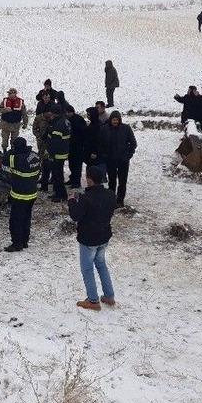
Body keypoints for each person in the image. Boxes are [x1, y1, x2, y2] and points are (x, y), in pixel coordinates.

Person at [68, 164, 117, 311]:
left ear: (89, 180)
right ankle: (109, 296)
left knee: (87, 268)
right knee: (101, 264)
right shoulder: (110, 194)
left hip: (88, 239)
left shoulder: (86, 198)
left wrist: (71, 200)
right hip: (104, 236)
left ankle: (93, 300)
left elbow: (75, 216)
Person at [3, 137, 41, 252]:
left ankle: (16, 244)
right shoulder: (34, 156)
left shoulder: (18, 159)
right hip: (32, 193)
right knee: (26, 218)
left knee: (16, 220)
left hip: (20, 195)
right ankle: (24, 241)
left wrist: (11, 150)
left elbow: (5, 159)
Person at [98, 111, 137, 208]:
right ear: (110, 120)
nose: (115, 122)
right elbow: (100, 144)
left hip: (123, 160)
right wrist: (104, 155)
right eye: (113, 120)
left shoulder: (126, 128)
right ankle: (111, 199)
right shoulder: (104, 129)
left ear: (119, 120)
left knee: (122, 181)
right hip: (110, 160)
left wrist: (128, 155)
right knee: (112, 181)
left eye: (117, 120)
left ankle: (120, 200)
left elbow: (133, 143)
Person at [45, 105, 70, 202]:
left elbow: (55, 141)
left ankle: (61, 195)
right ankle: (58, 193)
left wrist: (51, 153)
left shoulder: (58, 124)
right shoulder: (64, 121)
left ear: (54, 113)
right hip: (61, 151)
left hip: (57, 153)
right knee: (57, 174)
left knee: (57, 175)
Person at [65, 104, 88, 188]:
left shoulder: (79, 119)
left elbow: (83, 133)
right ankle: (72, 179)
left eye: (68, 112)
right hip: (70, 146)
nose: (66, 114)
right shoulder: (67, 120)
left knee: (77, 165)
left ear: (71, 112)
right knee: (71, 164)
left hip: (78, 146)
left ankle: (77, 182)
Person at [0, 88, 25, 154]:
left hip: (16, 124)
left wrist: (25, 122)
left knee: (14, 139)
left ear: (15, 94)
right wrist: (5, 110)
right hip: (5, 124)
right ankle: (4, 151)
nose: (10, 95)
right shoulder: (4, 101)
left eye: (11, 93)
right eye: (9, 93)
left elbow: (24, 113)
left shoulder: (21, 102)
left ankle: (13, 151)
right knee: (5, 139)